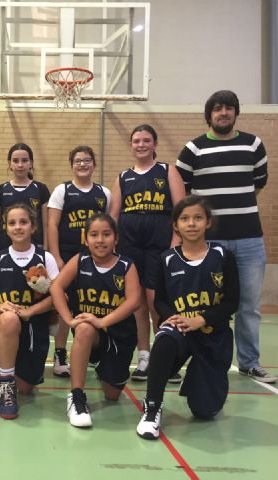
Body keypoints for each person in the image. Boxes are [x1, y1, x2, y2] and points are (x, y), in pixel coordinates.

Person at [176, 90, 275, 383]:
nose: (223, 113)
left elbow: (258, 184)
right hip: (209, 243)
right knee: (203, 304)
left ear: (236, 113)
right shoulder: (193, 149)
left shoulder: (253, 145)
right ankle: (200, 361)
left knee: (248, 305)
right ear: (209, 114)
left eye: (229, 108)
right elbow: (183, 194)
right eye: (218, 108)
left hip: (249, 240)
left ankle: (249, 362)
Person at [136, 196, 239, 440]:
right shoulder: (167, 259)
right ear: (175, 225)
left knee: (205, 411)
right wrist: (173, 317)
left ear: (208, 222)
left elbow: (232, 302)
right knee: (164, 341)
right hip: (180, 330)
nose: (191, 223)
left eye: (197, 218)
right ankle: (152, 408)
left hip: (212, 333)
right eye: (184, 219)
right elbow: (160, 300)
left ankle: (195, 379)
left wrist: (201, 320)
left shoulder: (222, 256)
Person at [109, 124, 185, 382]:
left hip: (159, 246)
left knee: (156, 304)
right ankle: (144, 357)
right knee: (137, 304)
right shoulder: (123, 177)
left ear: (155, 144)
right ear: (131, 145)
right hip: (130, 245)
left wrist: (175, 244)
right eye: (136, 141)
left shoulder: (167, 171)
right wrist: (113, 247)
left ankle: (167, 359)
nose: (141, 145)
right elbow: (114, 215)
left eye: (146, 140)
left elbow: (180, 210)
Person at [50, 213, 140, 428]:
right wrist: (68, 319)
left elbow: (134, 301)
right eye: (94, 235)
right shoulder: (80, 261)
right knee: (83, 328)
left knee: (112, 395)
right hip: (91, 332)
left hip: (120, 335)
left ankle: (102, 364)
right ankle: (76, 396)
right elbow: (56, 287)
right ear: (86, 239)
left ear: (116, 238)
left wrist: (103, 321)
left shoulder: (126, 265)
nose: (100, 240)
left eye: (106, 234)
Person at [0, 204, 59, 419]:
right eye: (12, 223)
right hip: (7, 325)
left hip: (34, 326)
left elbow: (58, 297)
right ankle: (6, 384)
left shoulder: (46, 258)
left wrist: (31, 310)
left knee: (27, 388)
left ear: (33, 227)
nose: (18, 227)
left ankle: (12, 371)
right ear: (6, 228)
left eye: (23, 222)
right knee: (9, 319)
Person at [47, 146, 111, 377]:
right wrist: (56, 256)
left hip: (95, 258)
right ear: (71, 165)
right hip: (68, 256)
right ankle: (60, 353)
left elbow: (109, 228)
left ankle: (96, 351)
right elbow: (52, 224)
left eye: (87, 160)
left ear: (94, 164)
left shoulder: (104, 193)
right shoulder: (62, 190)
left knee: (94, 303)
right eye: (78, 161)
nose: (82, 164)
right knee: (65, 305)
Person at [0, 143, 50, 252]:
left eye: (24, 160)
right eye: (16, 161)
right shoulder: (1, 190)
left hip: (35, 248)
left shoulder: (41, 189)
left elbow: (46, 225)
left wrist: (45, 250)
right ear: (10, 164)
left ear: (31, 163)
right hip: (5, 248)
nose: (20, 165)